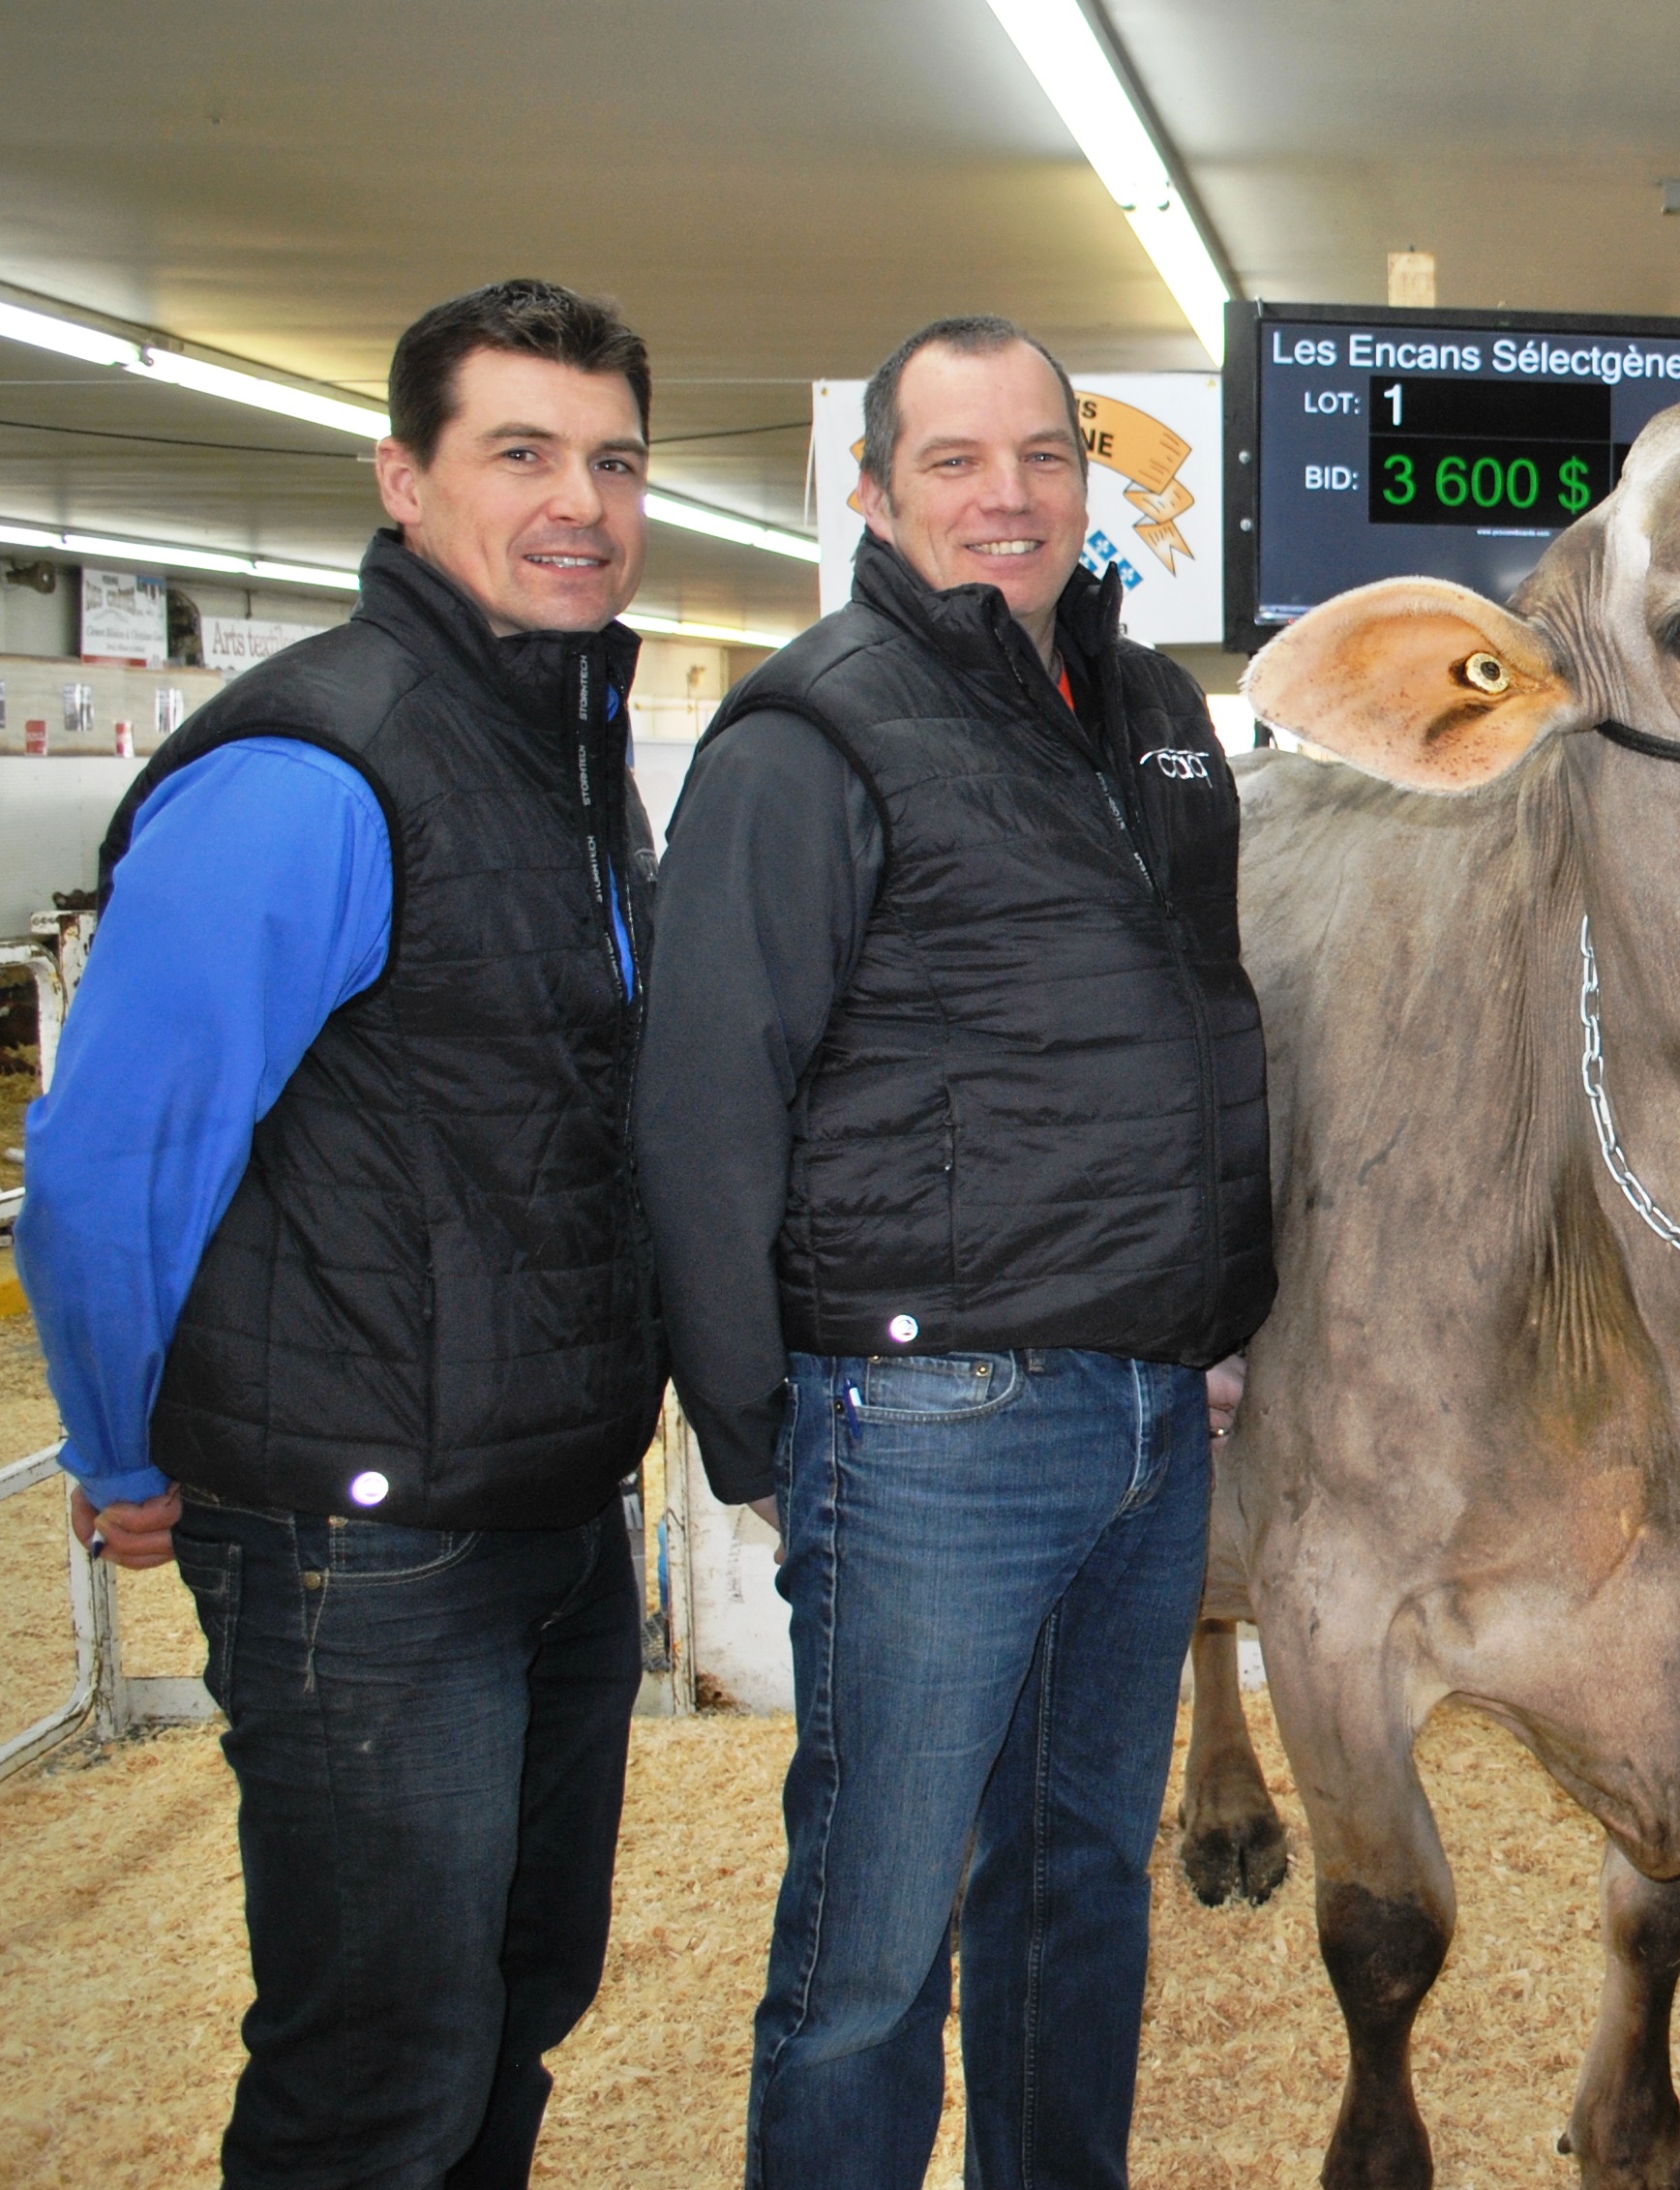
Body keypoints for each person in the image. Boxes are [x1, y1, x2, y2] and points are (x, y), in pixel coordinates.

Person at [21, 279, 666, 2184]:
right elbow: (112, 1159)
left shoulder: (558, 754)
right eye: (521, 453)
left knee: (516, 1999)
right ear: (403, 479)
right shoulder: (316, 769)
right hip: (358, 1543)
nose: (580, 503)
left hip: (546, 1505)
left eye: (615, 460)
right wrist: (122, 1452)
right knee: (379, 2065)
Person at [637, 315, 1275, 2186]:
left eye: (1045, 456)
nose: (1010, 496)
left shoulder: (1155, 717)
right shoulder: (810, 731)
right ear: (872, 489)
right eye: (956, 460)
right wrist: (762, 1435)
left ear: (1088, 479)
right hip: (928, 1422)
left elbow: (1208, 1035)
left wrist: (1217, 1313)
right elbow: (706, 1102)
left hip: (1146, 1411)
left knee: (1077, 1893)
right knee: (875, 1941)